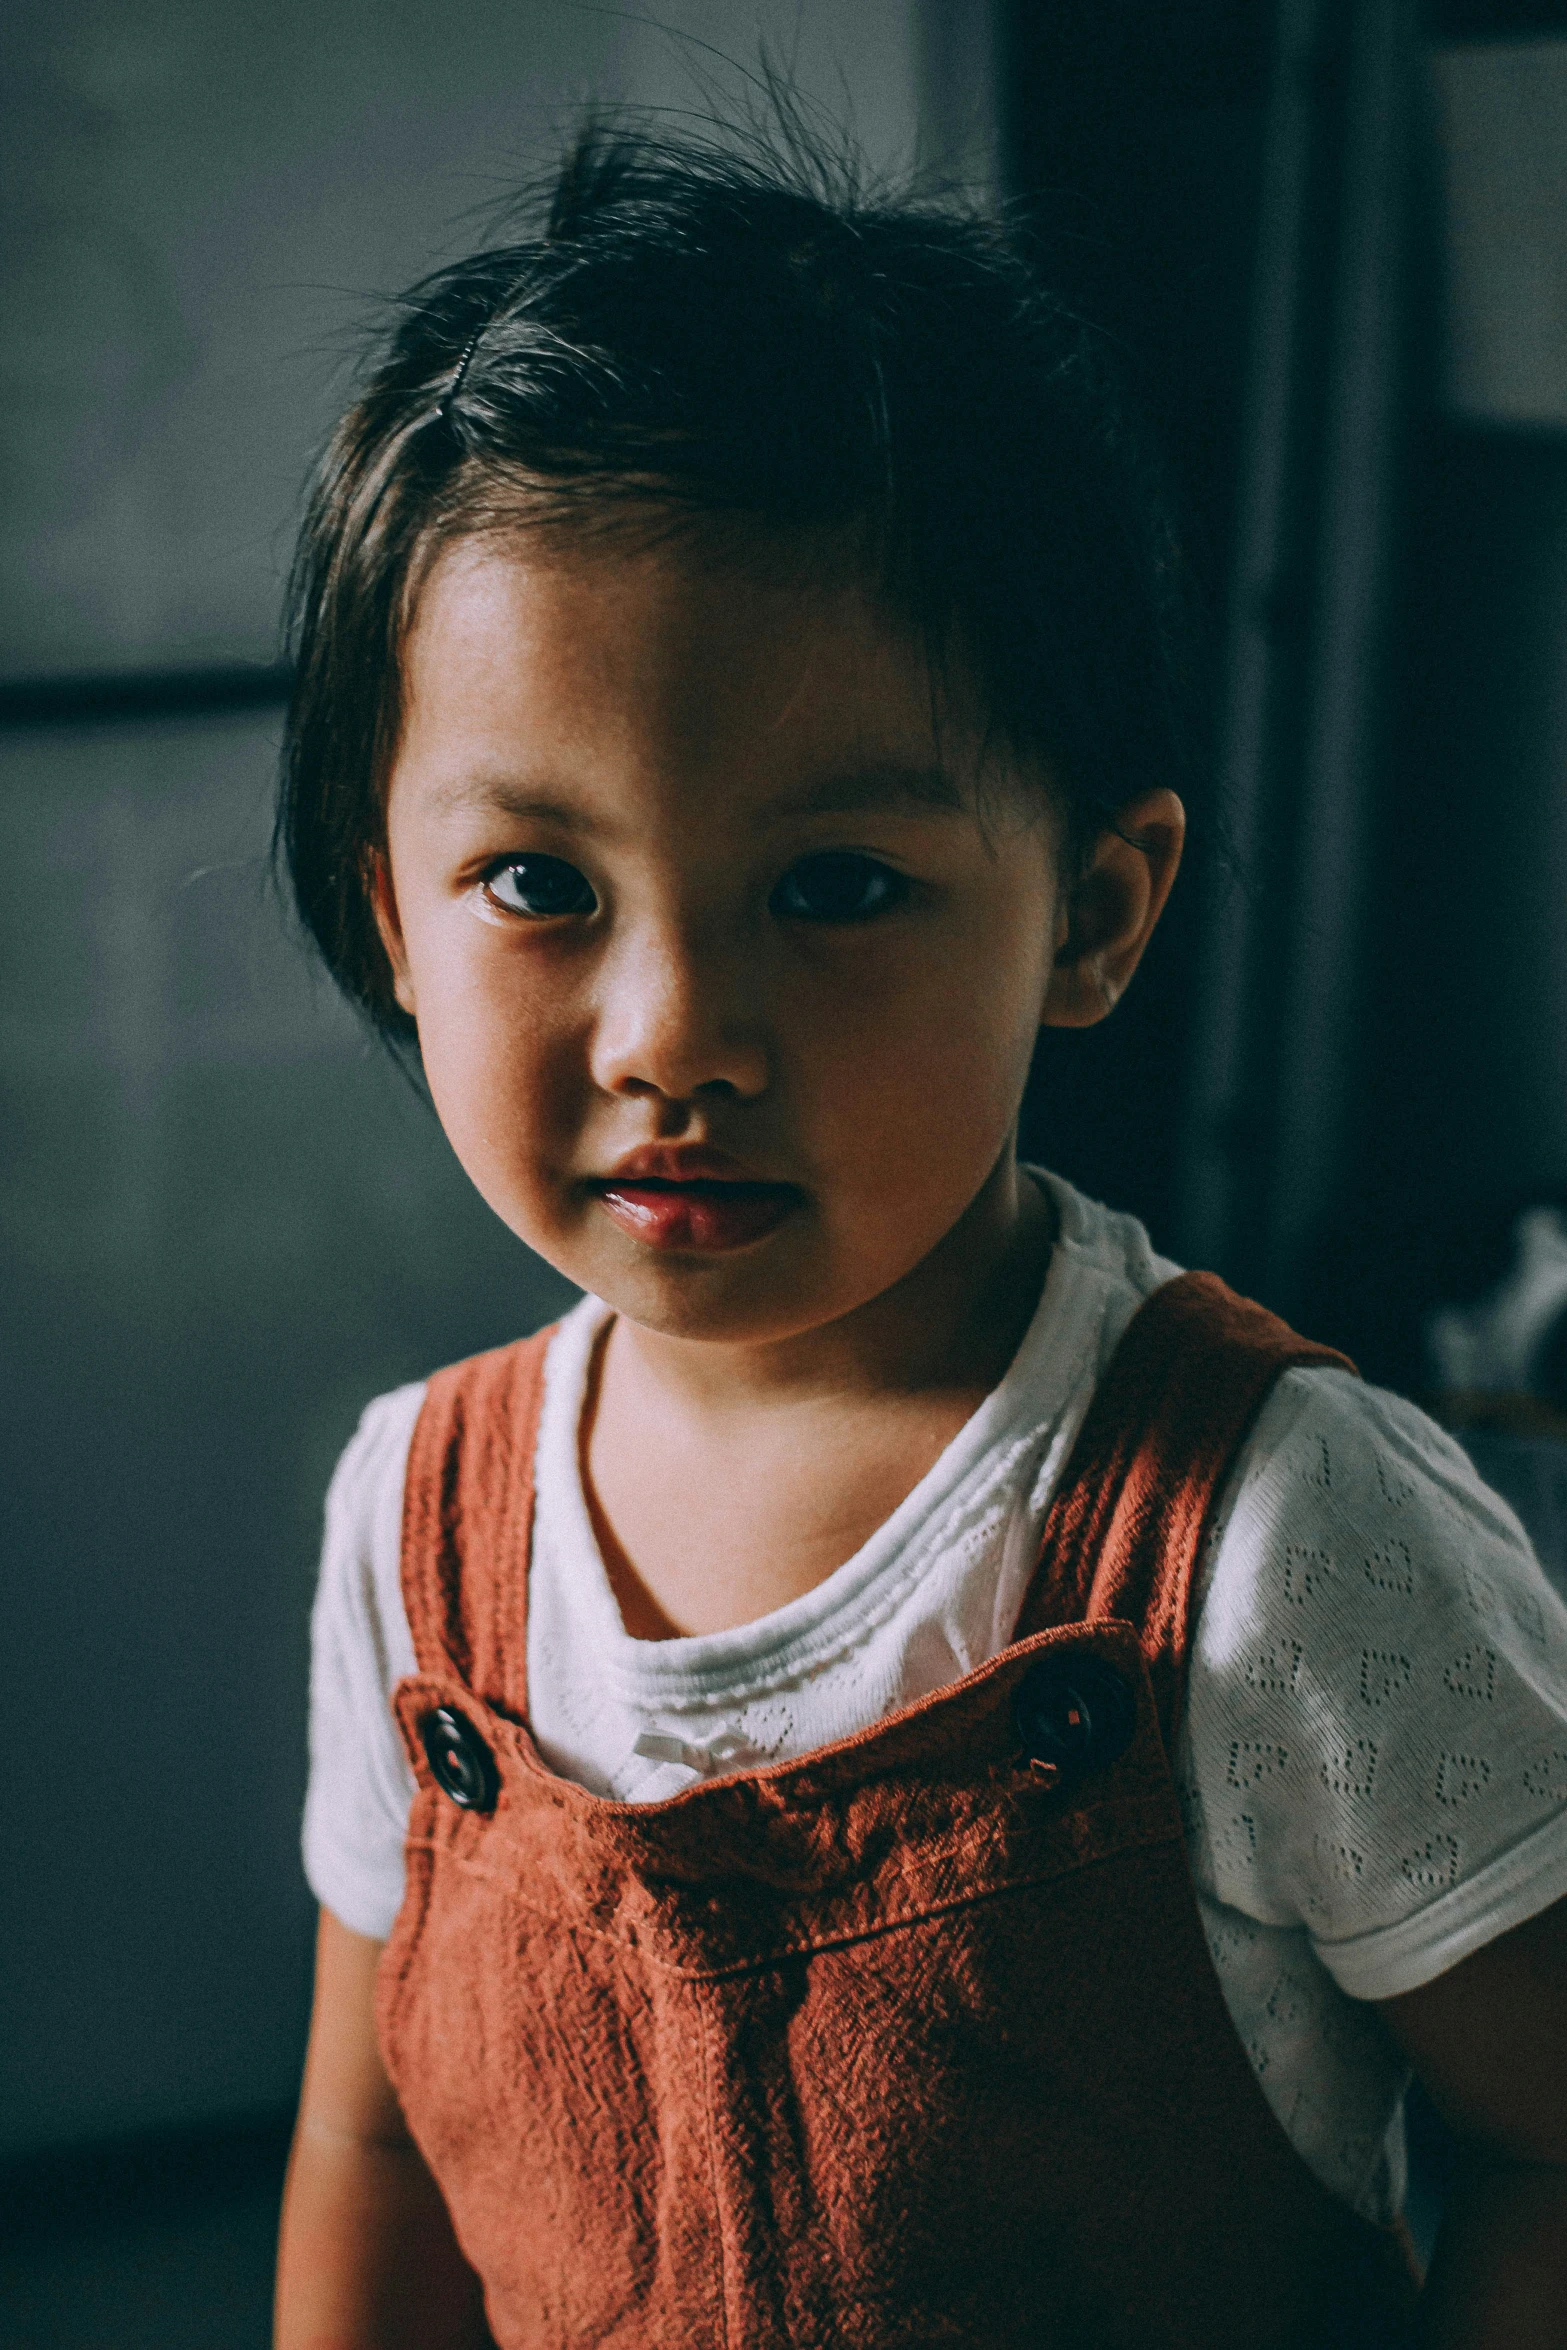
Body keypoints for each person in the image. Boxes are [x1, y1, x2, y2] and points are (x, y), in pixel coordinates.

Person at [272, 126, 1567, 2350]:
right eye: (542, 886)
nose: (674, 1036)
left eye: (839, 885)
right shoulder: (418, 1526)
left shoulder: (1280, 1537)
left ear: (1091, 909)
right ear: (394, 911)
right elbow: (373, 2138)